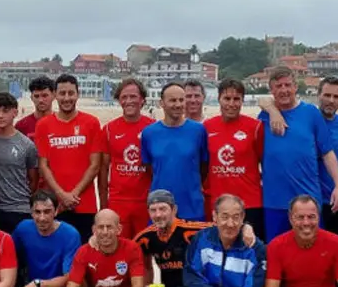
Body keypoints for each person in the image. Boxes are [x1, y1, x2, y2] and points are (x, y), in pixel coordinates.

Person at [257, 67, 338, 241]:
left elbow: (327, 153)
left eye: (288, 85)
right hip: (274, 202)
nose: (284, 90)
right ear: (272, 90)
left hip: (308, 200)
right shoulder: (263, 117)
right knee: (276, 252)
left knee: (312, 253)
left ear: (296, 87)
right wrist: (272, 111)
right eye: (278, 86)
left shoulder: (311, 113)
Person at [35, 74, 101, 240]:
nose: (66, 98)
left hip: (85, 203)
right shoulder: (43, 125)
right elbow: (43, 165)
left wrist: (73, 194)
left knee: (85, 254)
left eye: (71, 93)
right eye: (62, 93)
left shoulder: (91, 123)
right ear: (55, 95)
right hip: (55, 205)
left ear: (78, 94)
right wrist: (61, 195)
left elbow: (95, 164)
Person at [203, 78, 265, 238]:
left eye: (236, 99)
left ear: (242, 101)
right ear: (219, 100)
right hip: (217, 204)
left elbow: (264, 161)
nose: (231, 103)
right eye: (227, 98)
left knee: (249, 253)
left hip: (249, 203)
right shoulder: (207, 127)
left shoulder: (255, 127)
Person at [95, 78, 154, 239]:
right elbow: (103, 170)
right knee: (120, 252)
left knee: (145, 253)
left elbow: (158, 168)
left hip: (145, 202)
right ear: (119, 100)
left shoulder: (154, 128)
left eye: (133, 97)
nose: (129, 101)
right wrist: (103, 206)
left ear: (142, 100)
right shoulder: (108, 129)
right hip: (118, 202)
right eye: (124, 97)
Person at [142, 82, 209, 221]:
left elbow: (204, 166)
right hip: (160, 209)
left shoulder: (198, 131)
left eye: (181, 100)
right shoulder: (149, 133)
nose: (178, 105)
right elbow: (149, 168)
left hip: (192, 208)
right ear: (162, 103)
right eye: (172, 100)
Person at [0, 92, 39, 234]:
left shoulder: (26, 144)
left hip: (19, 209)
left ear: (15, 113)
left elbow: (33, 180)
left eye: (5, 111)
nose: (0, 115)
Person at [316, 77, 338, 244]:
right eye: (327, 95)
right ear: (318, 95)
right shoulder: (308, 119)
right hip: (312, 200)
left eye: (336, 97)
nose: (331, 100)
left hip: (337, 199)